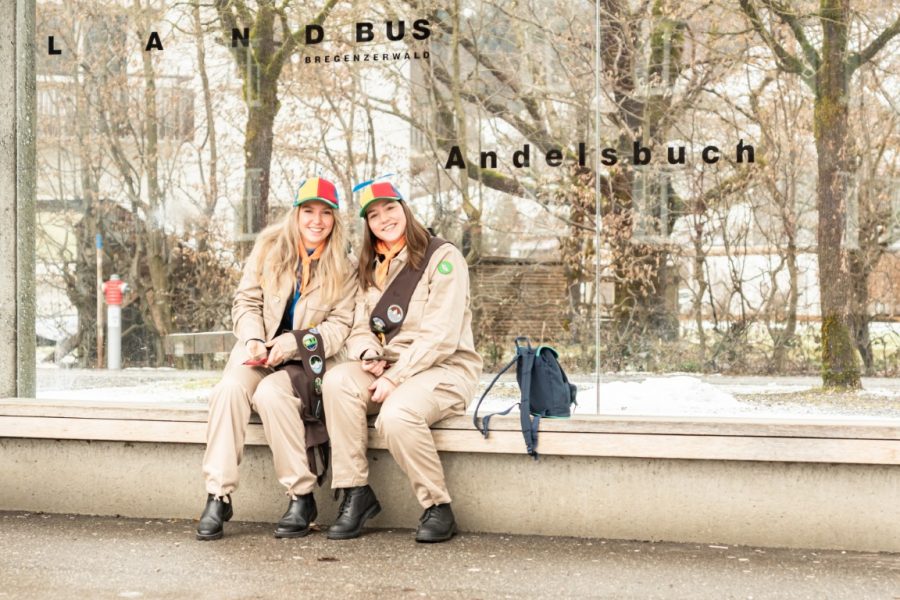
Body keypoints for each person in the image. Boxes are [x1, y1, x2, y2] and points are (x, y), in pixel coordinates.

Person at [322, 178, 483, 543]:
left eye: (390, 208)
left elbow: (441, 336)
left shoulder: (442, 258)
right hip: (389, 367)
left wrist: (396, 376)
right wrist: (368, 353)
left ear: (405, 209)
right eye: (374, 215)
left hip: (443, 369)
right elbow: (359, 326)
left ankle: (438, 507)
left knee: (396, 415)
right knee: (337, 381)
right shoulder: (369, 266)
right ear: (367, 224)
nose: (384, 219)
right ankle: (355, 492)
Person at [197, 176, 356, 541]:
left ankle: (301, 496)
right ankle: (218, 495)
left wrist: (293, 344)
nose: (316, 220)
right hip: (258, 350)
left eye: (325, 213)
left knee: (272, 396)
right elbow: (246, 301)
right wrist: (253, 338)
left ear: (335, 218)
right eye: (308, 211)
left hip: (303, 359)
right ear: (295, 214)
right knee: (228, 391)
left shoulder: (344, 265)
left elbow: (340, 327)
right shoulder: (269, 248)